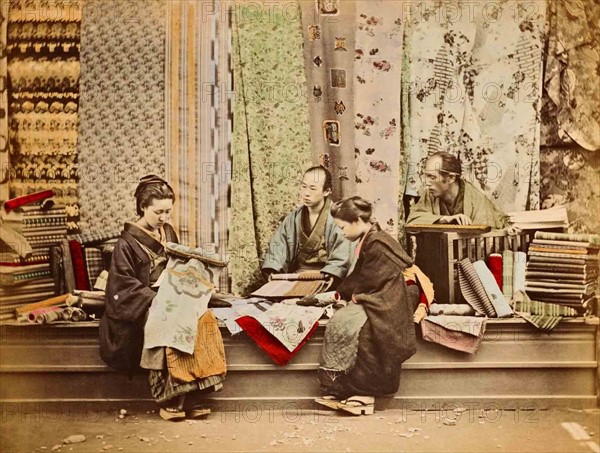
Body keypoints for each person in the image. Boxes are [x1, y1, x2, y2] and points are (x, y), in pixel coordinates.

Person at [99, 175, 225, 421]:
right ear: (143, 207)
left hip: (171, 295)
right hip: (142, 303)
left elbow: (179, 267)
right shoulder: (125, 244)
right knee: (170, 319)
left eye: (168, 211)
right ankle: (170, 399)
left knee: (202, 316)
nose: (165, 218)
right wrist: (156, 298)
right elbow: (122, 287)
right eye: (158, 212)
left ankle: (195, 394)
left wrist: (199, 283)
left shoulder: (167, 231)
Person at [316, 196, 417, 415]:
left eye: (342, 227)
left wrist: (352, 298)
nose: (341, 233)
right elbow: (359, 277)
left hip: (388, 300)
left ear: (356, 221)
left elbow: (374, 279)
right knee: (343, 321)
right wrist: (338, 294)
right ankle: (341, 389)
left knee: (364, 331)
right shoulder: (369, 239)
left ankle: (365, 395)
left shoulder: (378, 243)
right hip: (377, 295)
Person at [262, 166, 353, 286]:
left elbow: (343, 254)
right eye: (304, 187)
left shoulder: (338, 218)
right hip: (297, 277)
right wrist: (273, 270)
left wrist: (331, 275)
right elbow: (279, 246)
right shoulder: (294, 218)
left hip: (326, 277)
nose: (306, 193)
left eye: (313, 189)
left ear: (327, 191)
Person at [407, 152, 518, 234]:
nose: (426, 183)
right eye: (425, 176)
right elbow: (412, 221)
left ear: (451, 178)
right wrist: (444, 219)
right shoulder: (431, 193)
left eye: (432, 177)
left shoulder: (475, 199)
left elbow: (487, 235)